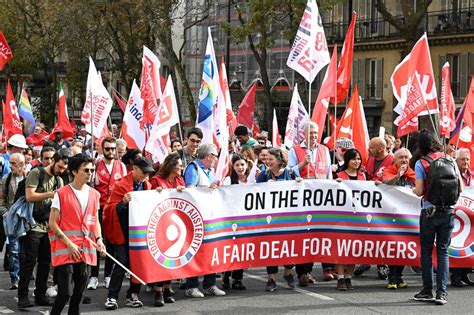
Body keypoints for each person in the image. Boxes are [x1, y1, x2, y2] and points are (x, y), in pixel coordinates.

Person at [49, 154, 106, 315]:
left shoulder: (95, 194)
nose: (90, 173)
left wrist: (99, 239)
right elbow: (52, 223)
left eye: (92, 170)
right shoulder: (61, 194)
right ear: (74, 171)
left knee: (79, 293)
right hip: (66, 249)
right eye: (86, 170)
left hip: (86, 248)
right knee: (65, 292)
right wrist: (69, 244)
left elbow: (95, 221)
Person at [413, 130, 463, 305]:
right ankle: (442, 293)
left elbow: (419, 191)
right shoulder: (450, 159)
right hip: (448, 210)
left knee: (426, 251)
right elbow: (461, 188)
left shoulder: (421, 163)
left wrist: (414, 190)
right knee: (443, 251)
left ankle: (428, 290)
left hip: (429, 211)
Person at [18, 149, 70, 308]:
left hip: (49, 226)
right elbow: (30, 196)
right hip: (32, 224)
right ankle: (23, 296)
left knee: (45, 262)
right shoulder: (36, 173)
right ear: (53, 161)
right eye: (59, 167)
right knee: (30, 261)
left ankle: (40, 295)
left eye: (63, 169)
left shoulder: (59, 180)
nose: (61, 171)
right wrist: (50, 194)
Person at [103, 157, 154, 310]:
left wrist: (157, 194)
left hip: (139, 232)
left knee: (138, 262)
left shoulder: (147, 185)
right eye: (144, 172)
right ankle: (112, 296)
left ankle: (133, 294)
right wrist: (123, 202)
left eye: (148, 173)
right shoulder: (121, 185)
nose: (146, 175)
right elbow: (110, 209)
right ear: (135, 169)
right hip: (122, 230)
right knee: (122, 262)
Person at [287, 122, 333, 283]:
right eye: (310, 133)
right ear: (303, 134)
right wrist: (303, 164)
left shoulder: (324, 150)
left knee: (322, 232)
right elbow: (289, 171)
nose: (313, 136)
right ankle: (303, 272)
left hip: (321, 196)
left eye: (315, 133)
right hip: (303, 197)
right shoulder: (295, 150)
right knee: (305, 234)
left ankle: (327, 267)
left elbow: (328, 174)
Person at [183, 144, 225, 298]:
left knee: (211, 250)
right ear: (208, 156)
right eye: (215, 155)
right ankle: (191, 285)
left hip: (210, 216)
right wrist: (209, 188)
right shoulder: (193, 169)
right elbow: (190, 191)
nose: (216, 158)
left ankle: (209, 284)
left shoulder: (210, 171)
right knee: (194, 251)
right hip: (196, 218)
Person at [257, 148, 300, 292]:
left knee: (289, 247)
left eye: (271, 159)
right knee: (271, 248)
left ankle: (288, 273)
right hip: (270, 219)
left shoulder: (291, 173)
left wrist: (299, 183)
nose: (267, 162)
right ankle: (271, 279)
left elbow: (301, 189)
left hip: (288, 218)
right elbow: (254, 192)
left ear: (280, 160)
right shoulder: (264, 174)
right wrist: (264, 187)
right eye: (266, 159)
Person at [88, 137, 127, 290]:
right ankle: (94, 276)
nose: (111, 152)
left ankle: (108, 276)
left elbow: (124, 186)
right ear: (102, 150)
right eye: (107, 149)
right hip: (99, 208)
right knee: (97, 241)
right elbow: (91, 187)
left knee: (111, 242)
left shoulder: (122, 166)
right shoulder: (96, 166)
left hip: (114, 209)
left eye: (113, 149)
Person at [149, 152, 185, 306]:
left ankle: (167, 288)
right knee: (160, 258)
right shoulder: (156, 180)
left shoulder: (179, 180)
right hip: (159, 225)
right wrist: (154, 193)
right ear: (172, 166)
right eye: (180, 166)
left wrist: (185, 192)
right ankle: (158, 290)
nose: (182, 168)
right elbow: (148, 198)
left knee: (171, 257)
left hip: (175, 225)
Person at [381, 148, 415, 289]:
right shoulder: (388, 170)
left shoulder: (413, 172)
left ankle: (399, 276)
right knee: (394, 246)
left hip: (408, 217)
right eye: (401, 157)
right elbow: (386, 183)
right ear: (394, 160)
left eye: (406, 157)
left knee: (404, 247)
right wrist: (398, 176)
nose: (404, 160)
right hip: (391, 216)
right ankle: (392, 278)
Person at [335, 149, 366, 291]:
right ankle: (340, 278)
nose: (357, 161)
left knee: (354, 249)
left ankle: (348, 277)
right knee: (342, 249)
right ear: (347, 160)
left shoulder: (363, 176)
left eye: (359, 159)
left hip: (357, 218)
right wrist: (336, 184)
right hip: (342, 217)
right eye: (354, 159)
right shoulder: (339, 175)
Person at [221, 154, 249, 290]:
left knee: (241, 250)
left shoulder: (251, 180)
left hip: (245, 220)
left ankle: (238, 279)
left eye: (242, 164)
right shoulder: (228, 180)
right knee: (230, 249)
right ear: (233, 166)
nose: (240, 167)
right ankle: (225, 276)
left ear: (247, 165)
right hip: (230, 219)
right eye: (237, 165)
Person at [0, 153, 26, 290]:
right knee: (13, 251)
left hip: (26, 220)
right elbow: (1, 199)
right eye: (10, 163)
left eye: (14, 163)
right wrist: (5, 213)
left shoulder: (29, 177)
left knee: (25, 251)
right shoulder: (6, 178)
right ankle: (15, 278)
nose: (10, 166)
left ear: (21, 164)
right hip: (11, 220)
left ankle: (25, 276)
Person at [450, 148, 474, 287]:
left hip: (469, 213)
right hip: (456, 214)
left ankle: (465, 273)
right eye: (462, 159)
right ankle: (456, 275)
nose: (466, 162)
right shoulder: (453, 173)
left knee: (469, 242)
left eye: (467, 159)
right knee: (457, 244)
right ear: (456, 160)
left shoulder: (472, 175)